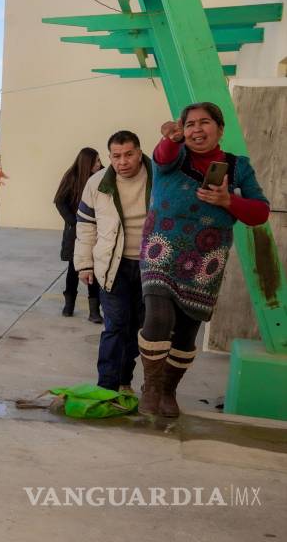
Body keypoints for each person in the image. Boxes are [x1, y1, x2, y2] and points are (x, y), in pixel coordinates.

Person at [138, 102, 269, 417]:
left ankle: (169, 390)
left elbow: (260, 211)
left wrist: (228, 200)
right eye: (190, 124)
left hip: (205, 260)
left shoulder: (238, 167)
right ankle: (152, 388)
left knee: (186, 331)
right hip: (162, 249)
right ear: (182, 129)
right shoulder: (174, 156)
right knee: (158, 318)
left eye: (205, 122)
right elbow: (162, 156)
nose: (197, 129)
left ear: (220, 129)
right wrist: (170, 138)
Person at [75, 131, 152, 393]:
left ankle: (124, 380)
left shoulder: (157, 179)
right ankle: (106, 388)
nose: (123, 161)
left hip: (149, 268)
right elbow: (85, 226)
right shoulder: (97, 183)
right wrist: (84, 264)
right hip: (112, 267)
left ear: (139, 153)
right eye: (116, 156)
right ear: (109, 157)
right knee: (115, 326)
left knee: (135, 329)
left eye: (129, 154)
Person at [54, 148, 103, 323]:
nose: (99, 164)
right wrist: (74, 222)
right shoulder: (72, 176)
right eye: (96, 161)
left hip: (95, 231)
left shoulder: (102, 177)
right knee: (74, 269)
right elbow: (59, 201)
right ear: (87, 163)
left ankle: (94, 310)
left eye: (99, 161)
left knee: (94, 270)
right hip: (75, 232)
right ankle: (69, 305)